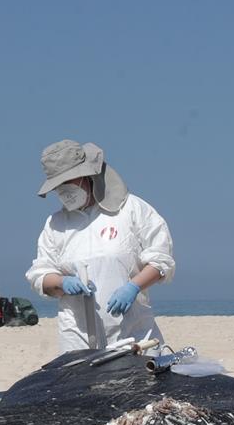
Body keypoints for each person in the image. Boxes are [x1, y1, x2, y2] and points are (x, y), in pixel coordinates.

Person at [27, 140, 174, 350]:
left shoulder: (132, 209)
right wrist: (62, 282)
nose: (63, 190)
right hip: (77, 336)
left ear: (87, 175)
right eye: (58, 186)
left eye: (68, 181)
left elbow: (162, 262)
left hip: (133, 332)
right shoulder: (55, 224)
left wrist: (133, 287)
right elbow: (40, 275)